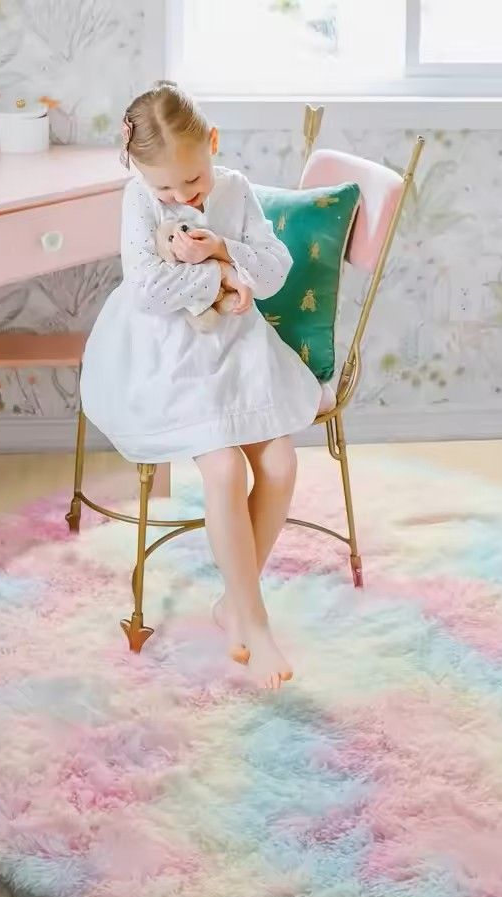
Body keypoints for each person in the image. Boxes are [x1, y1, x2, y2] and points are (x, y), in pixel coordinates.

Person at [81, 82, 331, 689]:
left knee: (280, 464)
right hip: (166, 355)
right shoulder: (139, 199)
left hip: (237, 348)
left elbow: (273, 271)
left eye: (192, 182)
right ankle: (255, 622)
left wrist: (222, 248)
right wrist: (220, 277)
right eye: (165, 188)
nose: (180, 197)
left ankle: (233, 603)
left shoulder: (236, 189)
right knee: (223, 470)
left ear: (212, 143)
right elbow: (148, 288)